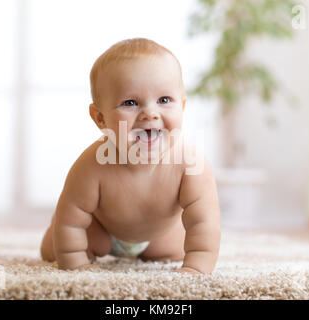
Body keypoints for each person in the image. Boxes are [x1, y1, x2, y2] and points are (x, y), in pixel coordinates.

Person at [40, 38, 221, 274]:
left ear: (183, 106)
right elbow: (71, 218)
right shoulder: (92, 165)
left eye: (164, 100)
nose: (150, 113)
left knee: (187, 239)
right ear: (100, 118)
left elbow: (204, 222)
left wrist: (197, 268)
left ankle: (152, 250)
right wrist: (75, 263)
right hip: (103, 232)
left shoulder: (191, 164)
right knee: (54, 246)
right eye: (130, 102)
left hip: (160, 235)